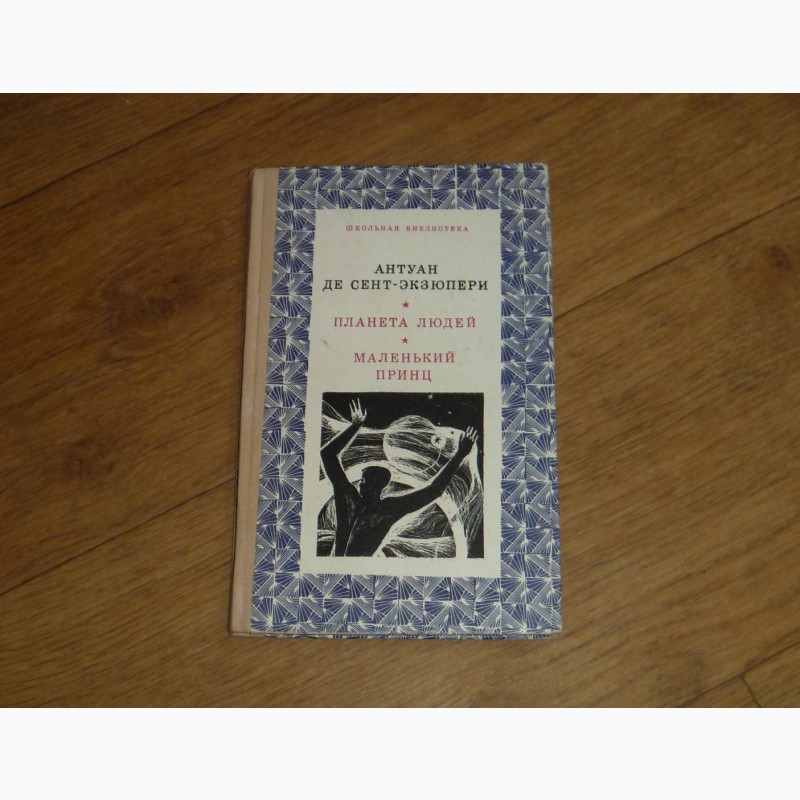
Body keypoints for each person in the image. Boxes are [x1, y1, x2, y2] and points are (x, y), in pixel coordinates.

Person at [320, 399, 477, 557]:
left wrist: (460, 454)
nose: (362, 485)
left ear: (379, 486)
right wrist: (355, 426)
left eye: (367, 482)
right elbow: (327, 455)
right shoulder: (349, 497)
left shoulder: (386, 509)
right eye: (363, 481)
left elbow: (434, 490)